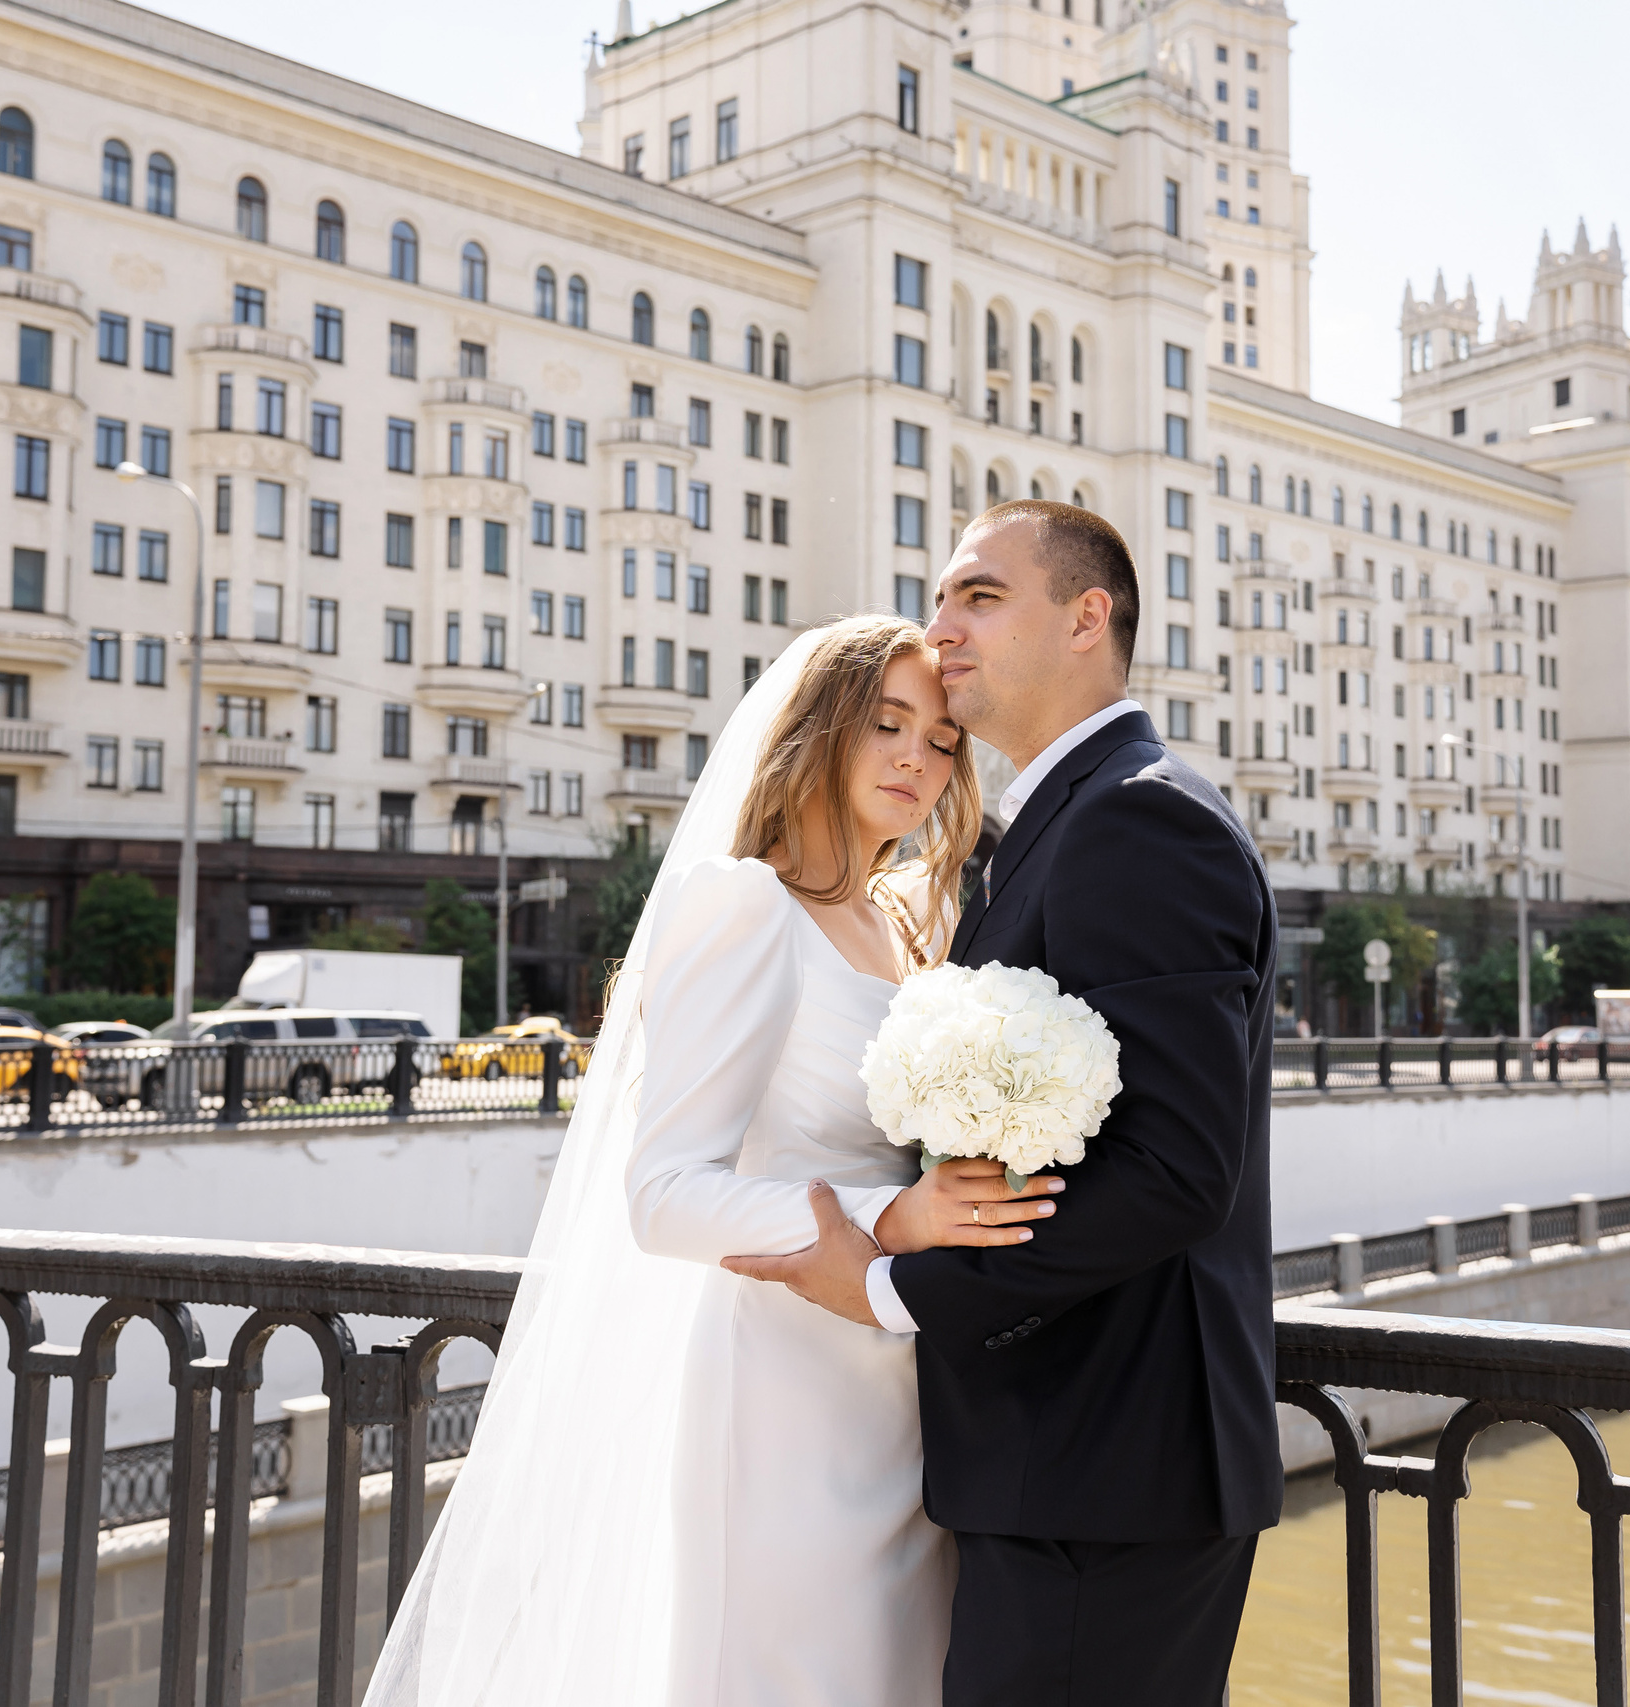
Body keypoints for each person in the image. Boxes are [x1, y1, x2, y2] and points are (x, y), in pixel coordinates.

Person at [364, 614, 1061, 1707]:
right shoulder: (745, 904)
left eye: (940, 740)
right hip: (782, 1389)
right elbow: (665, 1195)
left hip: (901, 1381)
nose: (917, 761)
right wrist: (893, 1218)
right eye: (886, 725)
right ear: (819, 729)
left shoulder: (902, 928)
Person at [728, 500, 1282, 1706]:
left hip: (1107, 1475)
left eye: (978, 596)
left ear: (1086, 619)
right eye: (939, 599)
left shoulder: (1138, 818)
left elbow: (1175, 1170)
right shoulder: (1061, 822)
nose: (943, 629)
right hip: (1058, 1469)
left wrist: (891, 1287)